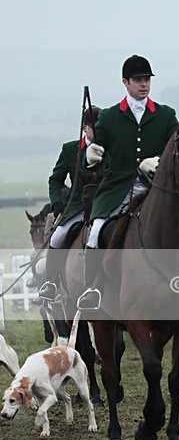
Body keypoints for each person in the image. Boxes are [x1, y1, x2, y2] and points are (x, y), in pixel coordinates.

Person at [77, 54, 179, 310]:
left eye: (146, 79)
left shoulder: (166, 115)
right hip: (118, 189)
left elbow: (175, 152)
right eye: (137, 80)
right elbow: (96, 157)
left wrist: (155, 161)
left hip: (159, 187)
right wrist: (90, 154)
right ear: (125, 82)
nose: (143, 84)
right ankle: (93, 289)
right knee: (97, 230)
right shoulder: (110, 117)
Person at [38, 105, 102, 302]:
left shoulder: (110, 148)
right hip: (78, 206)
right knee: (58, 236)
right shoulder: (70, 150)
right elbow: (55, 180)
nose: (99, 131)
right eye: (94, 127)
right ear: (85, 128)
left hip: (105, 204)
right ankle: (51, 283)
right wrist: (57, 203)